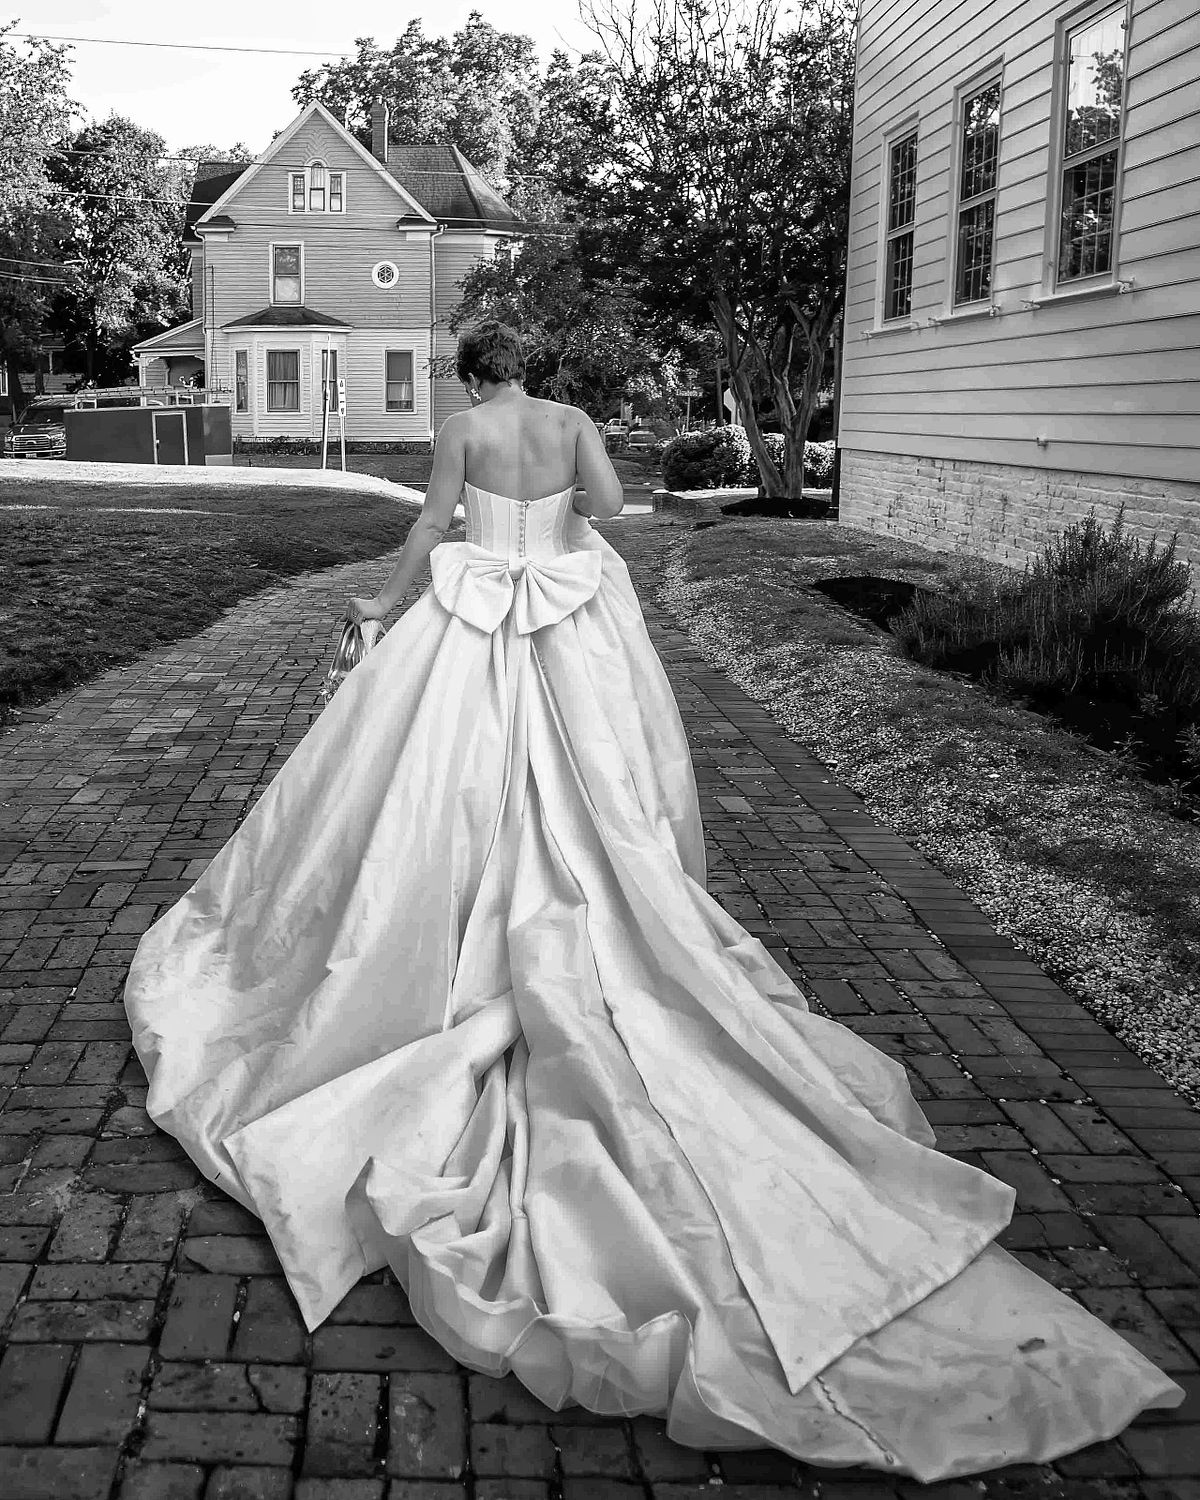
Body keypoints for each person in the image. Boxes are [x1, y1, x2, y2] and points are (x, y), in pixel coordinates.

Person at [124, 320, 1183, 1483]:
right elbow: (616, 509)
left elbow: (433, 529)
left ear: (472, 374)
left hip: (467, 624)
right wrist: (559, 515)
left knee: (431, 792)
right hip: (569, 617)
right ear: (534, 367)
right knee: (597, 792)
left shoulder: (461, 428)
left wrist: (382, 608)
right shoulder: (569, 423)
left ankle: (445, 930)